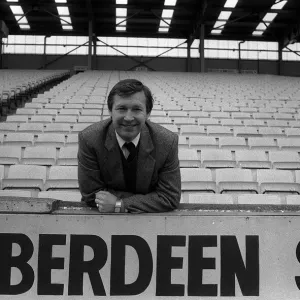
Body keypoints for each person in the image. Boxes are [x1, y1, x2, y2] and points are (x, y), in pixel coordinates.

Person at [77, 78, 181, 213]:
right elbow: (91, 195)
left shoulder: (167, 142)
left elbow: (170, 197)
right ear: (110, 111)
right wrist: (149, 199)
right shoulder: (89, 139)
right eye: (121, 109)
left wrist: (120, 204)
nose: (128, 117)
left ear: (148, 113)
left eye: (137, 109)